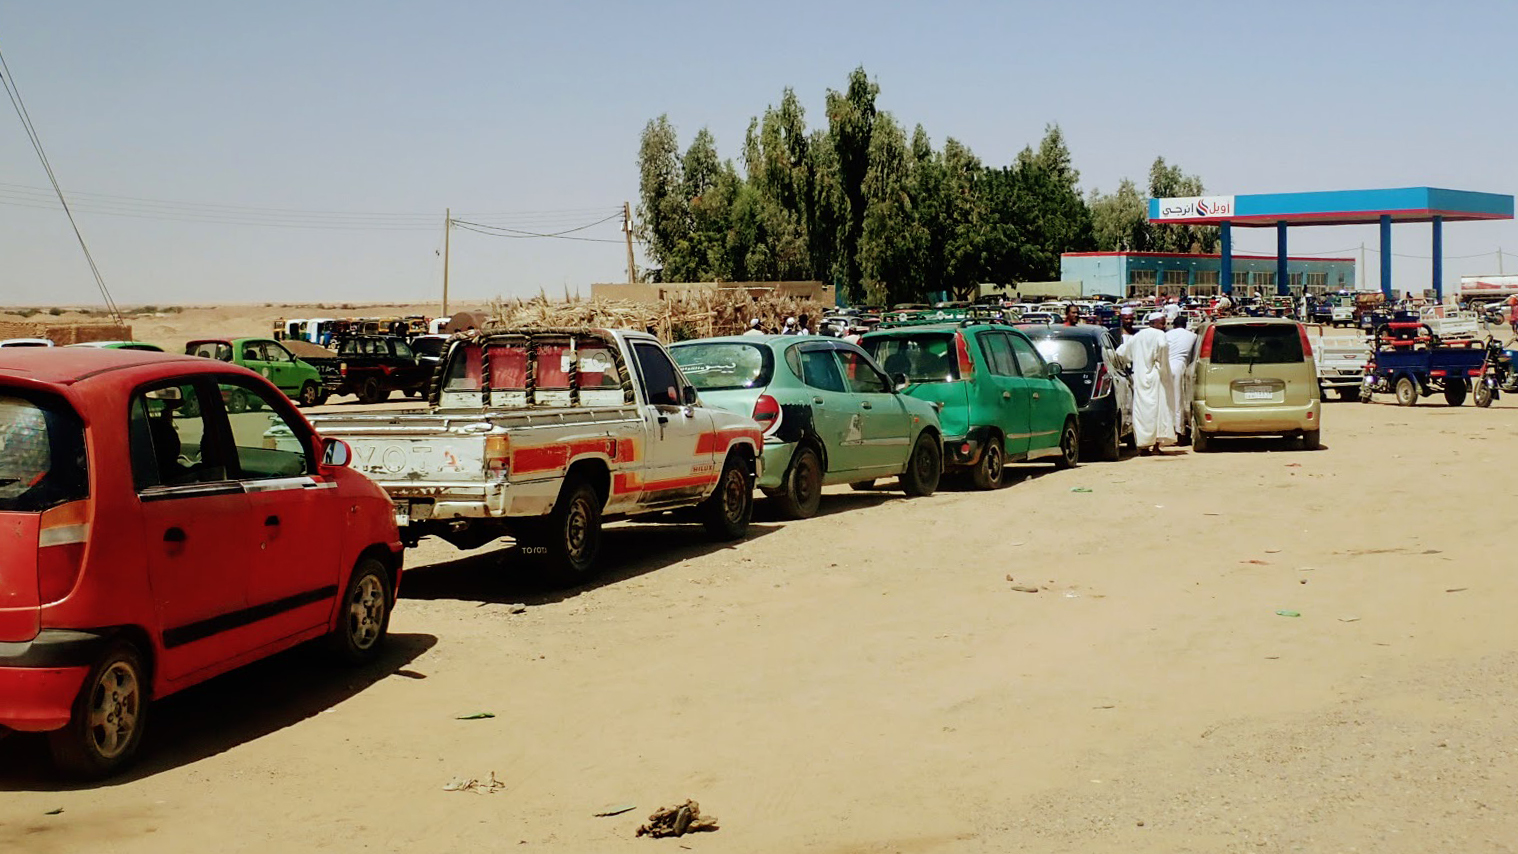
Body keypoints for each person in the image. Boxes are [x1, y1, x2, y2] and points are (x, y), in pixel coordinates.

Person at [1116, 311, 1176, 455]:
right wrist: (1161, 362)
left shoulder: (1138, 336)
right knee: (1158, 410)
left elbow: (1121, 352)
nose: (1164, 326)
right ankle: (1155, 446)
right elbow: (1162, 346)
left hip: (1140, 378)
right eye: (1162, 323)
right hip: (1156, 376)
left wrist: (1126, 364)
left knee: (1142, 412)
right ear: (1153, 323)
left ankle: (1143, 446)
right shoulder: (1159, 335)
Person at [1164, 314, 1199, 440]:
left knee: (1168, 400)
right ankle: (1180, 432)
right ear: (1185, 325)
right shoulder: (1193, 336)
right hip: (1179, 367)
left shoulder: (1167, 335)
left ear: (1173, 325)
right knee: (1178, 400)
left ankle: (1169, 430)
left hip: (1166, 366)